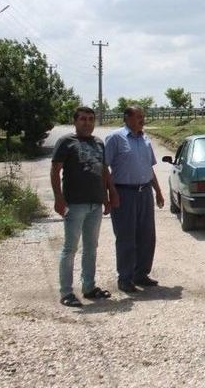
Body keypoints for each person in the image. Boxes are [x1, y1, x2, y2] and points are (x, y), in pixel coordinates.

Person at [51, 106, 114, 307]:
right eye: (83, 119)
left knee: (91, 248)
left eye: (90, 119)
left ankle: (89, 287)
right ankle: (66, 292)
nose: (87, 123)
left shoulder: (98, 143)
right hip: (74, 204)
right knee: (70, 248)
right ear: (75, 122)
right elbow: (55, 171)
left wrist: (106, 196)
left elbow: (104, 171)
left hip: (95, 203)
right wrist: (58, 198)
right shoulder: (66, 142)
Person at [105, 106, 165, 293]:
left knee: (147, 236)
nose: (142, 120)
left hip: (145, 192)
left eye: (143, 116)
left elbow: (149, 168)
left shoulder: (145, 139)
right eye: (139, 117)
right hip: (124, 193)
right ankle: (125, 278)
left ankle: (141, 274)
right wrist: (111, 193)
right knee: (126, 237)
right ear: (127, 118)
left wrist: (158, 191)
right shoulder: (115, 138)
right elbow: (103, 167)